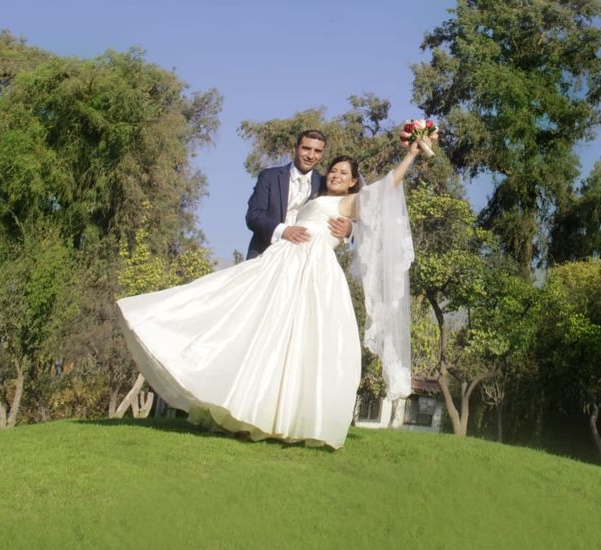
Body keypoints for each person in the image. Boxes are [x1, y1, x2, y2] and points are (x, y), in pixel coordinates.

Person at [117, 139, 423, 449]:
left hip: (313, 273)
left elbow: (385, 189)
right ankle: (242, 406)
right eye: (333, 169)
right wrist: (285, 231)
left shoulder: (350, 201)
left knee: (303, 345)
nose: (334, 174)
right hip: (281, 262)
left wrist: (410, 155)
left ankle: (290, 418)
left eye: (343, 172)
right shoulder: (302, 186)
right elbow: (256, 217)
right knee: (253, 330)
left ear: (354, 181)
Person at [245, 129, 352, 260]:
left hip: (305, 260)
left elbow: (348, 207)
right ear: (295, 148)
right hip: (264, 254)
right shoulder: (270, 177)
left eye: (317, 151)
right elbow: (253, 216)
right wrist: (284, 231)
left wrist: (350, 229)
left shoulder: (325, 183)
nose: (311, 156)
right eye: (306, 148)